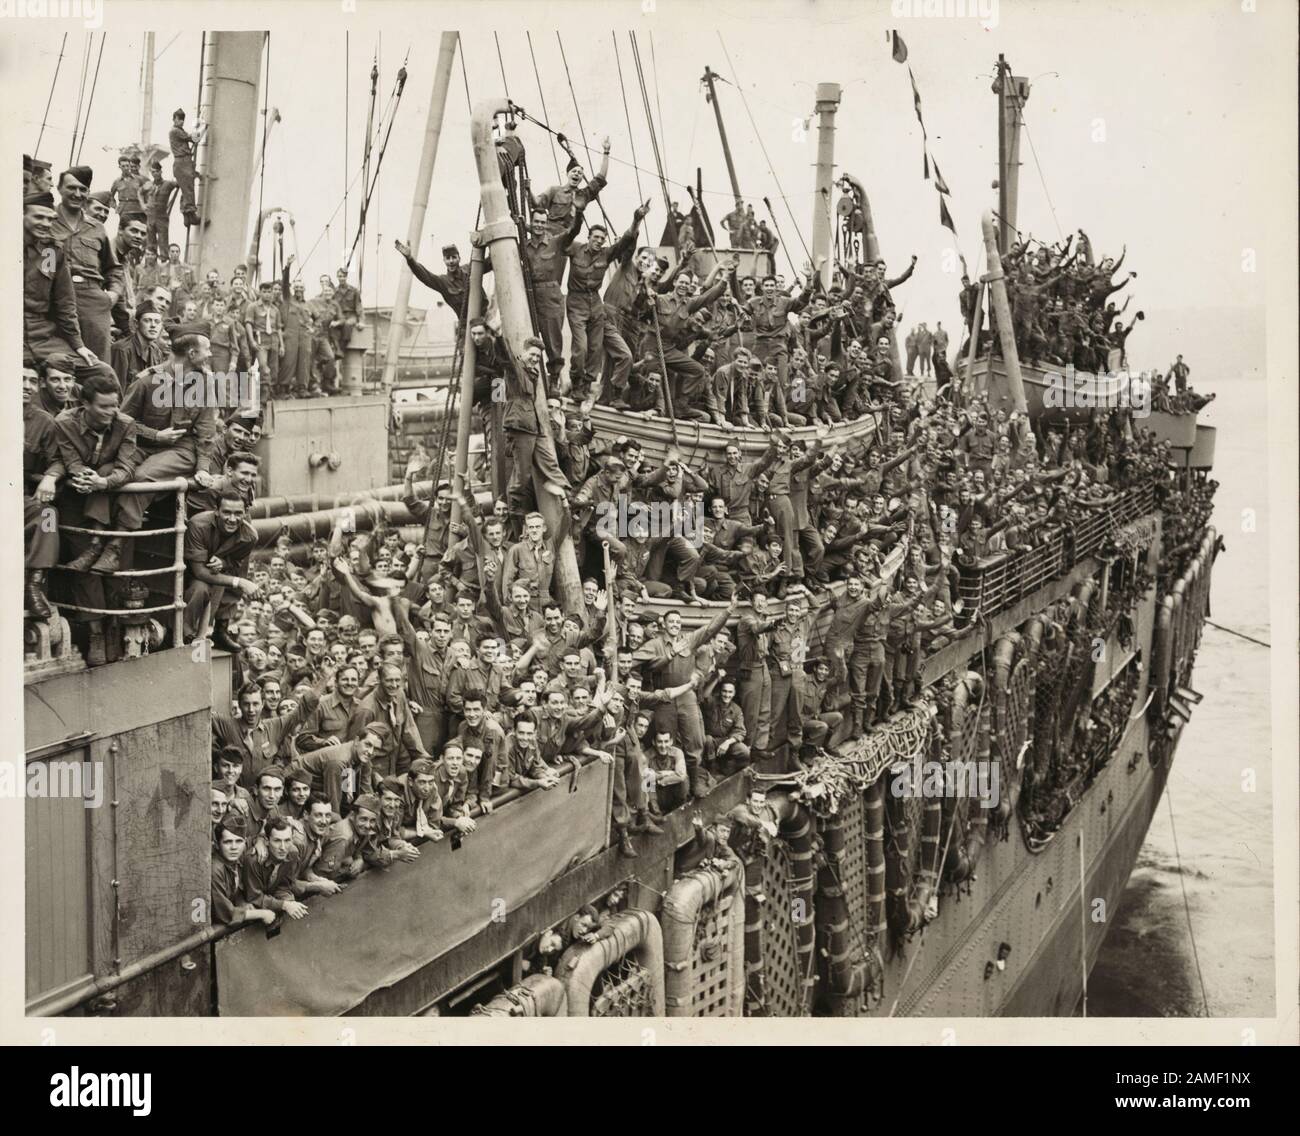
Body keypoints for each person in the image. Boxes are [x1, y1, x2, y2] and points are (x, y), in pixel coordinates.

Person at [50, 166, 124, 361]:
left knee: (98, 366)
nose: (77, 194)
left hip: (93, 302)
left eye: (83, 189)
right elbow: (43, 268)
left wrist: (111, 297)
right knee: (58, 363)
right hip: (55, 299)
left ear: (88, 193)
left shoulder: (97, 228)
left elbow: (113, 269)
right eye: (71, 188)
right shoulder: (47, 222)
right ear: (59, 188)